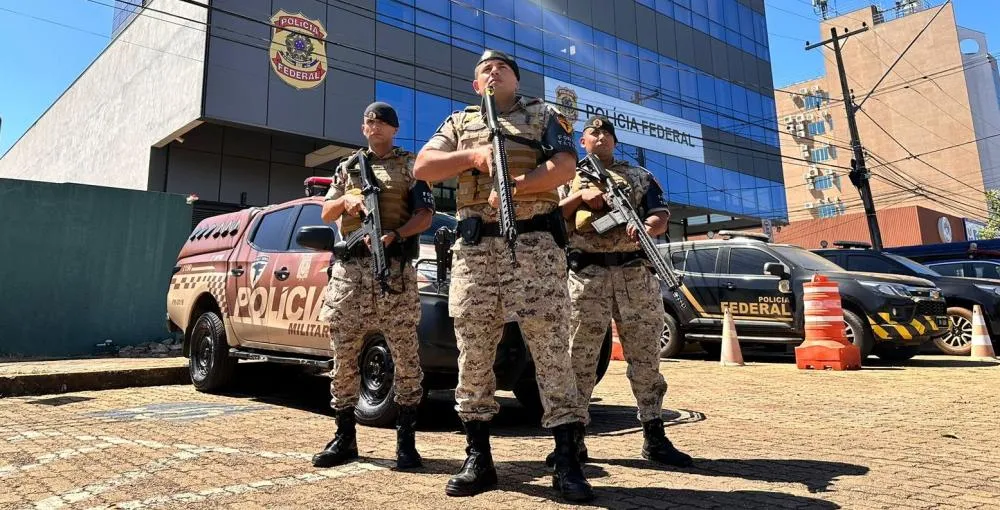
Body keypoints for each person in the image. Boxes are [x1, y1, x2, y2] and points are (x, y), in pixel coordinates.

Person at [413, 50, 594, 502]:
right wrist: (472, 156)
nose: (492, 72)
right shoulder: (458, 123)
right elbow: (423, 168)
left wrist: (519, 185)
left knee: (551, 352)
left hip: (533, 245)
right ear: (477, 85)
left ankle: (568, 460)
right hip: (475, 251)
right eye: (484, 70)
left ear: (516, 78)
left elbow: (565, 166)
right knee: (473, 354)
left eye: (501, 68)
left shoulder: (543, 115)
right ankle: (479, 457)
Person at [558, 115, 693, 467]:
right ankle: (573, 438)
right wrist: (583, 196)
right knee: (579, 359)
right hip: (587, 274)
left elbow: (660, 215)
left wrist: (648, 224)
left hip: (634, 273)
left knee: (646, 357)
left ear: (615, 141)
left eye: (606, 132)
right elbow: (553, 218)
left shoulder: (638, 176)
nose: (600, 136)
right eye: (592, 132)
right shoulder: (565, 175)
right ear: (582, 141)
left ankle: (653, 434)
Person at [312, 102, 435, 470]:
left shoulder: (410, 166)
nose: (375, 126)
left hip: (394, 270)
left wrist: (396, 234)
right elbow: (326, 211)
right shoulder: (347, 168)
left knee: (406, 358)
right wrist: (347, 200)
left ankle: (406, 441)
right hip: (350, 274)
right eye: (369, 121)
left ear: (394, 129)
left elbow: (425, 215)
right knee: (344, 357)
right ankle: (344, 436)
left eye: (382, 122)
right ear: (363, 127)